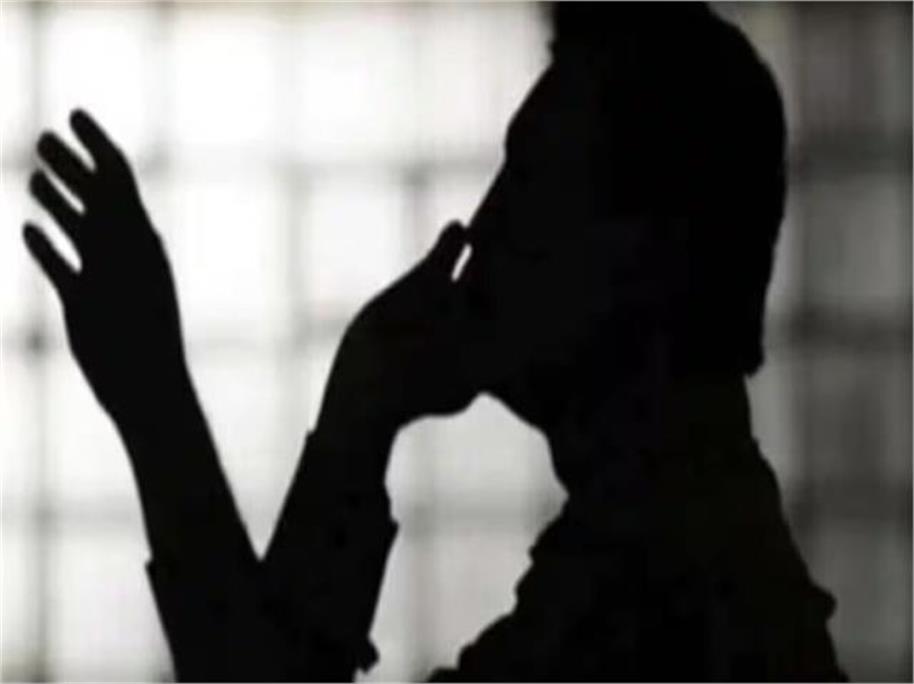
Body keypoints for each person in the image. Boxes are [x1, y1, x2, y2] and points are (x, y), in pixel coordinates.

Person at [23, 3, 846, 681]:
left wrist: (172, 407)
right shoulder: (677, 557)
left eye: (532, 184)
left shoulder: (658, 601)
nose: (481, 226)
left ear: (645, 254)